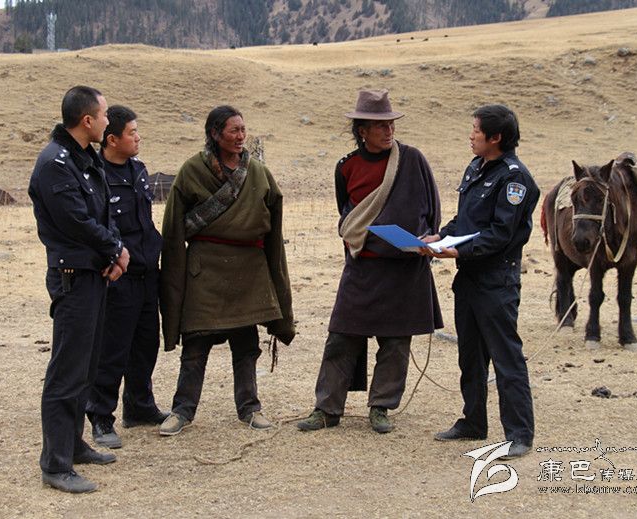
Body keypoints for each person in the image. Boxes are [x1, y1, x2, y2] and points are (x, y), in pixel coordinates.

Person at [296, 89, 443, 434]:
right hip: (363, 267)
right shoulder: (346, 167)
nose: (388, 130)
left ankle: (381, 407)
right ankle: (327, 408)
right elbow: (351, 218)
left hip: (404, 267)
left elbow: (432, 211)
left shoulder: (412, 160)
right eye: (380, 126)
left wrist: (423, 241)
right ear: (362, 130)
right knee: (341, 336)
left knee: (396, 341)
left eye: (390, 124)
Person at [158, 105, 295, 436]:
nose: (240, 136)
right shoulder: (192, 171)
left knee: (246, 345)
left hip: (249, 272)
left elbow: (273, 232)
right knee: (196, 345)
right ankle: (182, 410)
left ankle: (250, 408)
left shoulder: (259, 173)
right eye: (233, 130)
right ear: (215, 134)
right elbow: (173, 230)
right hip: (204, 272)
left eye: (243, 129)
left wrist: (277, 283)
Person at [421, 104, 538, 459]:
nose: (470, 135)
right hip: (468, 278)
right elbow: (467, 220)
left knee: (506, 358)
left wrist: (457, 251)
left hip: (496, 281)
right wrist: (439, 237)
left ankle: (519, 434)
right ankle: (473, 422)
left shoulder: (515, 179)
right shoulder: (476, 167)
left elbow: (501, 233)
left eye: (476, 129)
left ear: (496, 137)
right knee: (470, 356)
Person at [29, 86, 129, 493]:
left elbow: (105, 212)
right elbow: (76, 222)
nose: (108, 121)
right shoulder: (54, 164)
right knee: (67, 371)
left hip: (94, 273)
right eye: (103, 115)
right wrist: (115, 249)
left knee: (86, 367)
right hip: (73, 276)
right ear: (87, 120)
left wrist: (115, 249)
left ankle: (73, 445)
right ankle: (55, 464)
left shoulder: (85, 158)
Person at [85, 105, 167, 449]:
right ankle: (101, 417)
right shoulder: (95, 175)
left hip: (148, 272)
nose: (138, 138)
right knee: (112, 349)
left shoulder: (138, 170)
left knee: (147, 343)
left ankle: (140, 406)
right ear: (112, 139)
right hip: (120, 275)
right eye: (132, 133)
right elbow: (96, 225)